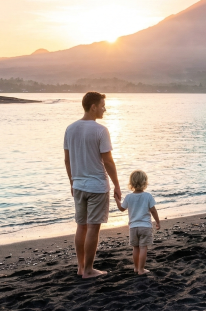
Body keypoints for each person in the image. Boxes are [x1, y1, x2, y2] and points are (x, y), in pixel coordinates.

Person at [64, 91, 122, 279]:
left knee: (81, 226)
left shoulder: (70, 129)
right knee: (93, 228)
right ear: (93, 107)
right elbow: (108, 161)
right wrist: (117, 185)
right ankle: (88, 270)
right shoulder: (100, 130)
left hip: (79, 185)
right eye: (103, 105)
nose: (105, 109)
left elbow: (67, 160)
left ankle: (81, 267)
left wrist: (72, 182)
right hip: (96, 186)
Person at [118, 170, 161, 275]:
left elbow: (122, 209)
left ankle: (136, 268)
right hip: (145, 227)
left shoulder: (128, 197)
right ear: (145, 182)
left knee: (135, 248)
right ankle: (141, 270)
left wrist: (116, 199)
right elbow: (153, 210)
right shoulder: (148, 196)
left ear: (131, 183)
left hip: (133, 227)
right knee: (143, 248)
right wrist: (158, 222)